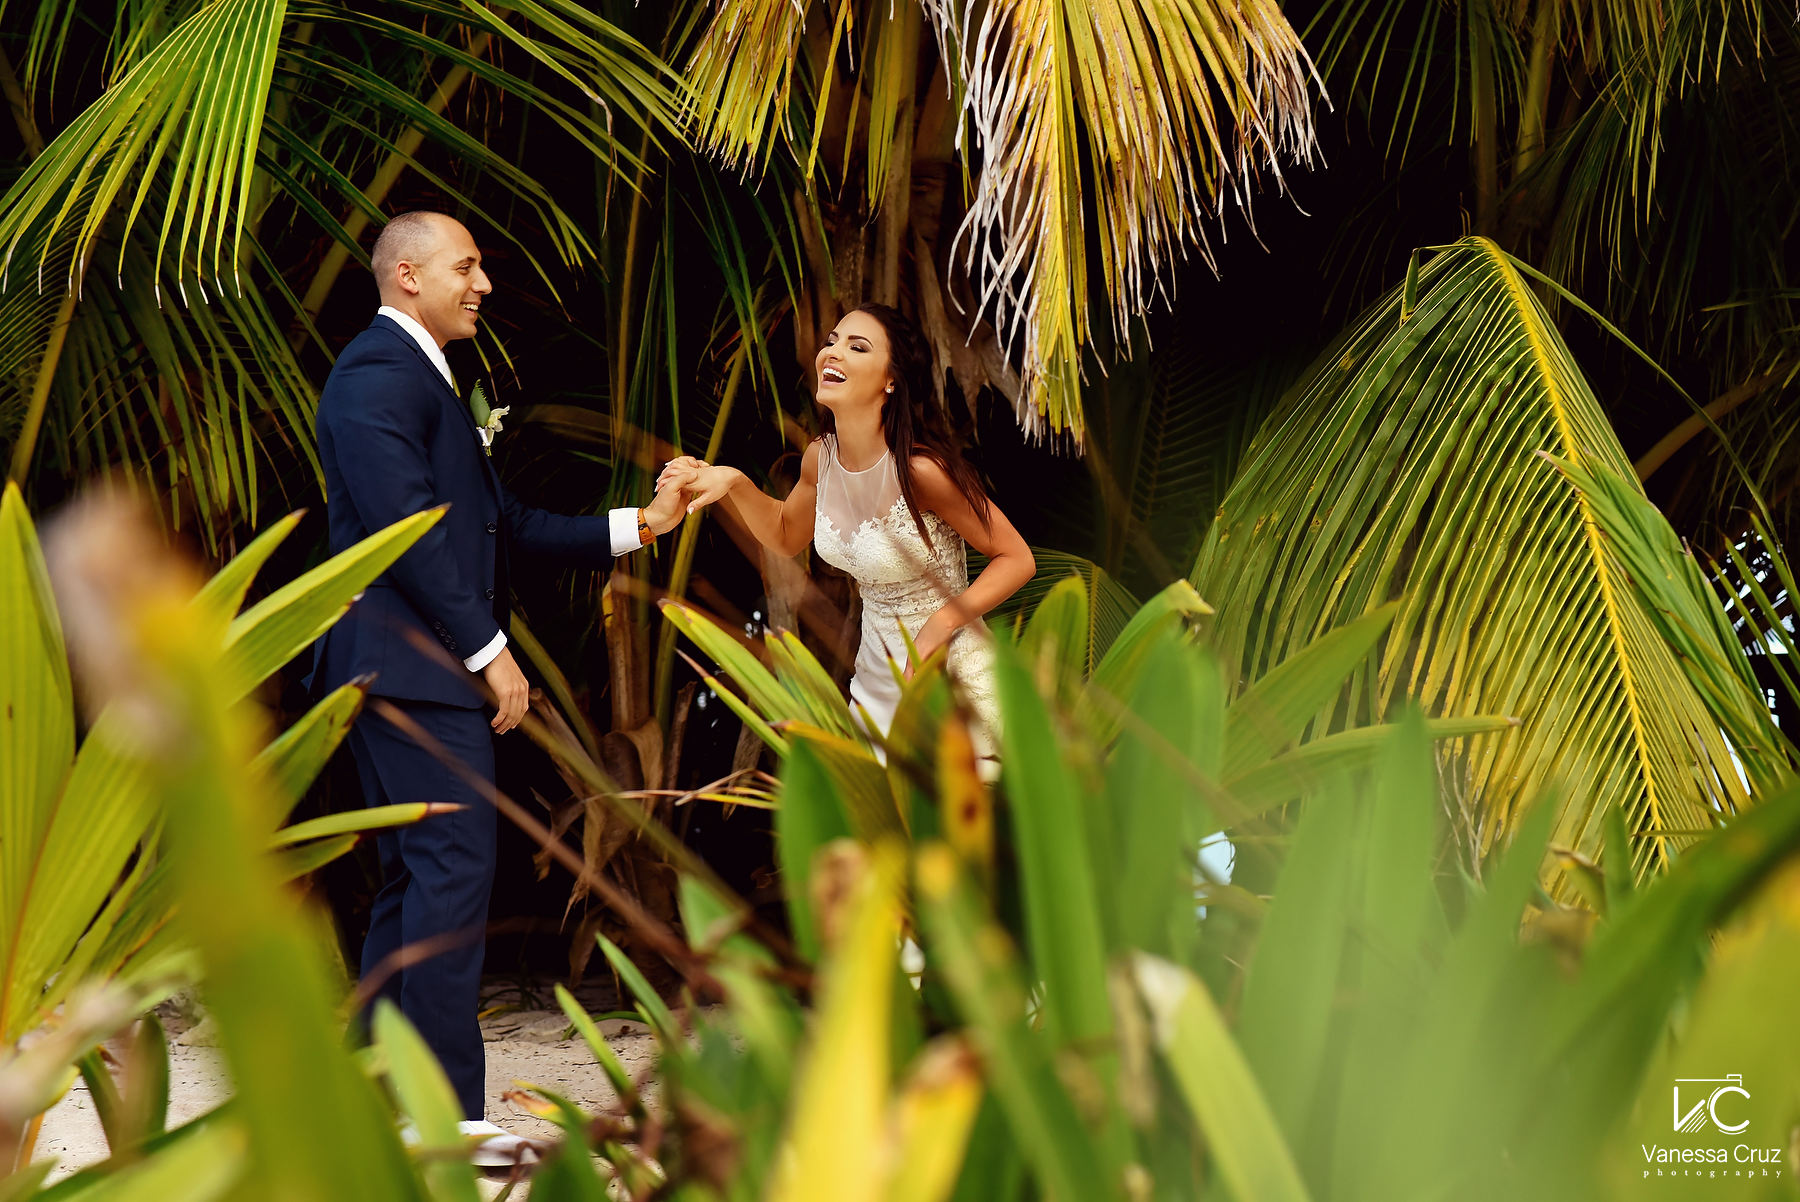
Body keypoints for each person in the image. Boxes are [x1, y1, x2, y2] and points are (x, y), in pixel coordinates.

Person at [307, 211, 689, 1152]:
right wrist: (490, 653)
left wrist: (641, 525)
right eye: (466, 265)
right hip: (412, 667)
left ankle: (374, 1099)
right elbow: (410, 531)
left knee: (412, 882)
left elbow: (500, 522)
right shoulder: (373, 374)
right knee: (450, 875)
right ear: (406, 274)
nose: (482, 283)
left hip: (411, 666)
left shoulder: (430, 377)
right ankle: (447, 1117)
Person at [660, 303, 1034, 756]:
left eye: (857, 347)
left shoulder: (922, 472)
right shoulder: (821, 458)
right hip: (876, 678)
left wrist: (942, 623)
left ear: (890, 380)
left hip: (951, 675)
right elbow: (784, 533)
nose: (832, 353)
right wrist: (734, 483)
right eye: (831, 341)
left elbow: (1016, 558)